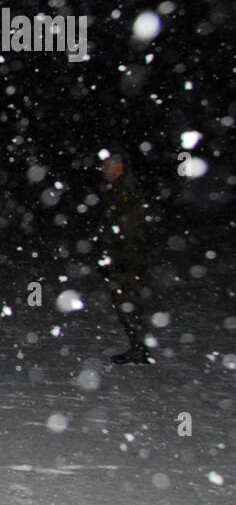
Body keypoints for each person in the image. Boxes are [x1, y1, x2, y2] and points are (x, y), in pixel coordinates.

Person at [97, 147, 152, 364]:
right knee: (126, 302)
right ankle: (138, 346)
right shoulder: (117, 189)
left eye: (107, 165)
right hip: (122, 256)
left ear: (118, 166)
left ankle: (139, 348)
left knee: (128, 302)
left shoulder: (125, 190)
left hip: (127, 258)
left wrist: (120, 258)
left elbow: (128, 228)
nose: (103, 169)